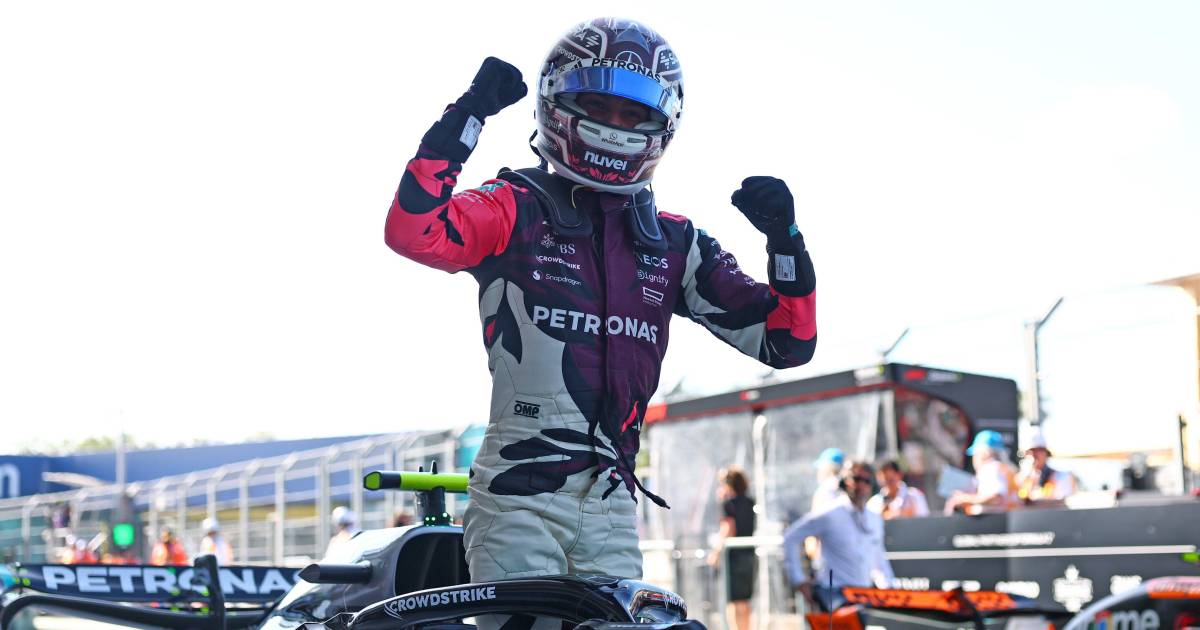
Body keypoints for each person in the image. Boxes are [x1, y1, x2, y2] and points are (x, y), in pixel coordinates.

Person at [383, 18, 818, 630]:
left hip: (613, 504)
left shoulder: (675, 243)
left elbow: (788, 342)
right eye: (598, 104)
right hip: (518, 497)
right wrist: (469, 114)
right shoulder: (514, 206)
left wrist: (786, 242)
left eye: (632, 112)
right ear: (557, 103)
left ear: (662, 123)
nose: (615, 124)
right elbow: (413, 231)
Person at [783, 462, 893, 612]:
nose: (861, 485)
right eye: (856, 479)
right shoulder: (830, 513)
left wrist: (890, 589)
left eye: (866, 481)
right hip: (834, 594)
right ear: (844, 481)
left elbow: (878, 558)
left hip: (863, 595)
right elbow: (790, 537)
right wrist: (799, 580)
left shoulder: (874, 519)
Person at [707, 467, 756, 630]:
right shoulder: (750, 502)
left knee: (733, 602)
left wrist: (715, 553)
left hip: (734, 558)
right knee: (745, 601)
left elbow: (728, 529)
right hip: (749, 555)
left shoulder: (728, 504)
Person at [943, 430, 1019, 515]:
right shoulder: (1005, 469)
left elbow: (995, 498)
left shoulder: (991, 468)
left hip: (998, 521)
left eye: (976, 453)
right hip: (1008, 518)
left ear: (985, 453)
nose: (974, 458)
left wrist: (963, 498)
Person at [1017, 428, 1076, 504]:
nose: (1034, 455)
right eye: (1031, 451)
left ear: (1046, 453)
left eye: (1039, 450)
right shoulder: (1021, 479)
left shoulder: (1061, 477)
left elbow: (1060, 501)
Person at [811, 447, 846, 513]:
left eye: (821, 467)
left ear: (828, 468)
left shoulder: (825, 489)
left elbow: (815, 516)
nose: (819, 471)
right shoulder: (847, 487)